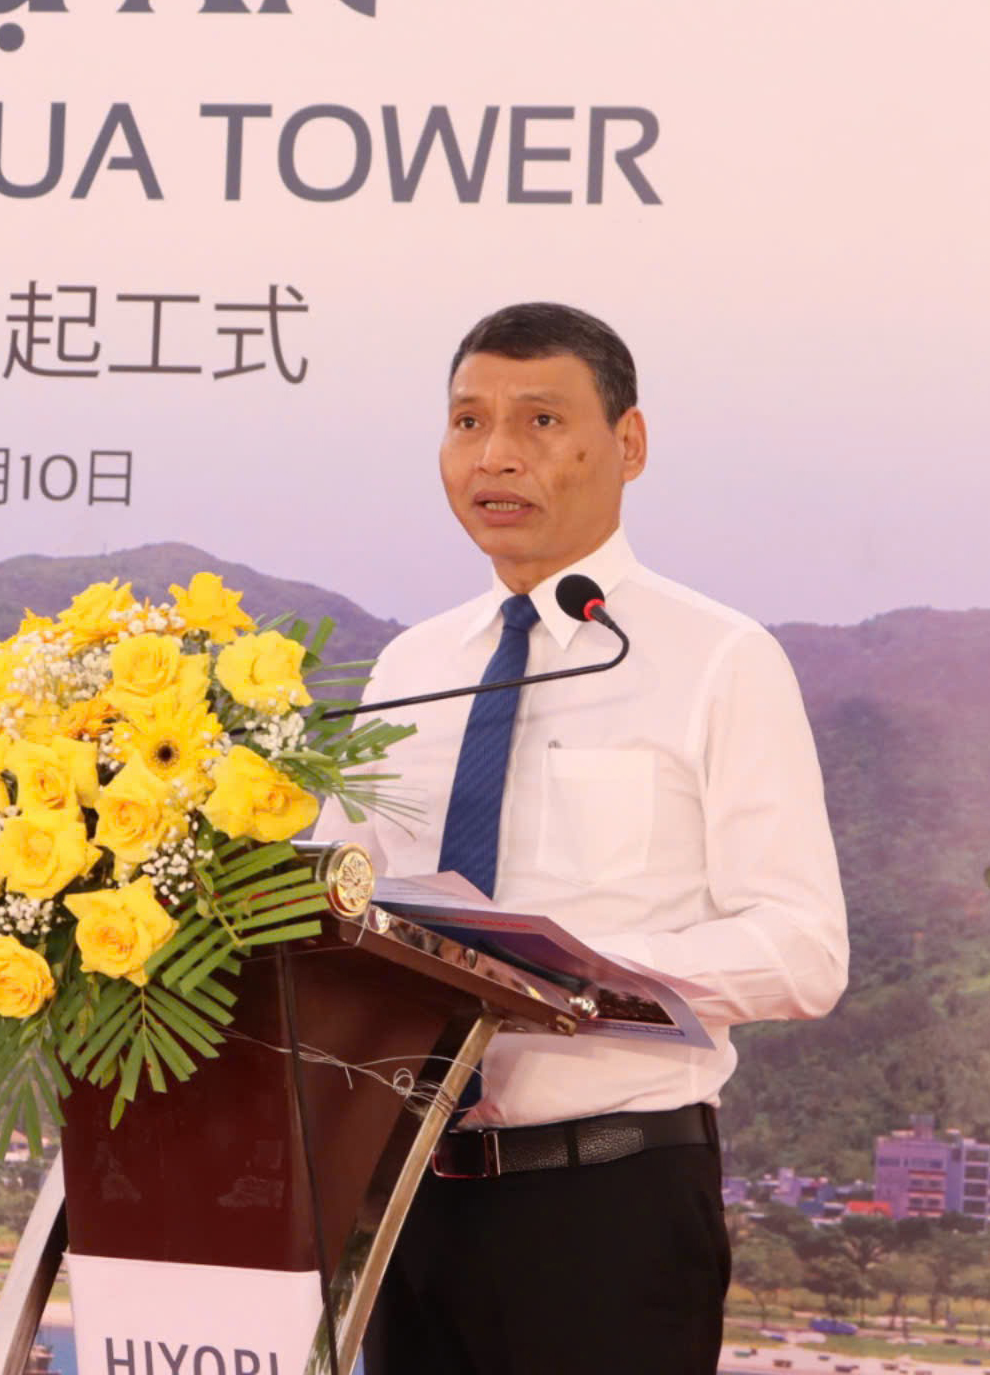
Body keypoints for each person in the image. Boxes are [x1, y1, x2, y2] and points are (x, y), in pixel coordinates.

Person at [313, 301, 849, 1375]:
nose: (495, 455)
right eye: (466, 423)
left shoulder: (718, 658)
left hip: (607, 1204)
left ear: (628, 445)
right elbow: (336, 909)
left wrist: (569, 974)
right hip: (407, 1199)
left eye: (540, 420)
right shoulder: (409, 668)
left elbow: (804, 950)